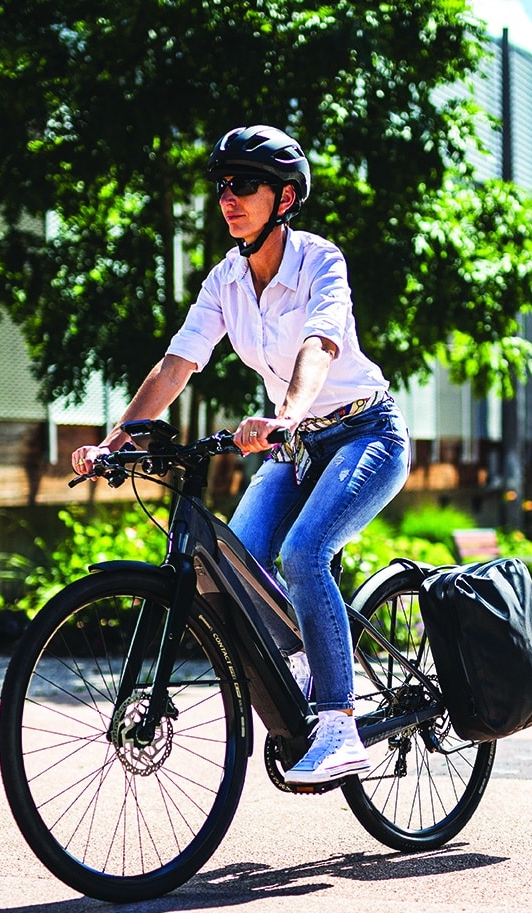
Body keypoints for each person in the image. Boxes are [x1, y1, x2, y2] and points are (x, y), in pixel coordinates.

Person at [71, 124, 411, 785]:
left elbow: (321, 345)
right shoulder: (227, 279)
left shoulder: (319, 261)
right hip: (297, 445)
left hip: (363, 431)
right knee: (231, 567)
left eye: (244, 185)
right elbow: (176, 365)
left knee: (303, 551)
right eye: (222, 185)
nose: (228, 197)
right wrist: (117, 440)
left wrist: (284, 415)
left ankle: (339, 722)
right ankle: (308, 663)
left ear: (284, 198)